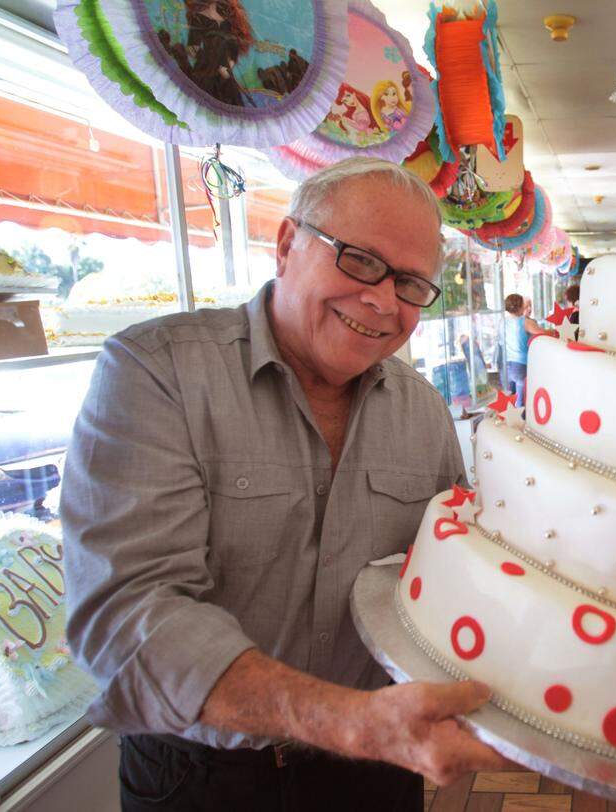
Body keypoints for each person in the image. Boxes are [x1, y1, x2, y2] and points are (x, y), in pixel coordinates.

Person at [62, 158, 508, 812]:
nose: (384, 301)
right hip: (200, 776)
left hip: (373, 769)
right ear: (286, 244)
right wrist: (344, 718)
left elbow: (448, 573)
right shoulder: (157, 372)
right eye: (358, 260)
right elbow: (124, 617)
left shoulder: (424, 411)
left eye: (412, 284)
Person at [502, 293, 552, 406]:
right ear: (520, 306)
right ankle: (520, 423)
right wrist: (555, 332)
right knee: (521, 400)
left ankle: (510, 422)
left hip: (506, 365)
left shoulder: (503, 321)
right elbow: (543, 333)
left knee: (508, 400)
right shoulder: (524, 321)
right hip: (520, 364)